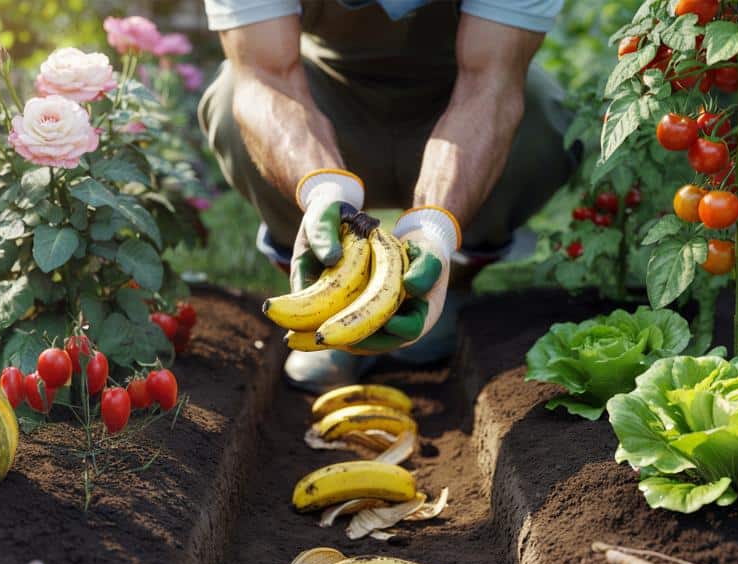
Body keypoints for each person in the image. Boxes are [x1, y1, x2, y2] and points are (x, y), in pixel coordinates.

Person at [198, 0, 579, 391]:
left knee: (544, 116)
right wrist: (322, 189)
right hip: (326, 90)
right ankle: (326, 297)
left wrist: (434, 227)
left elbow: (490, 86)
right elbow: (268, 76)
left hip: (455, 98)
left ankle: (448, 283)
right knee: (233, 101)